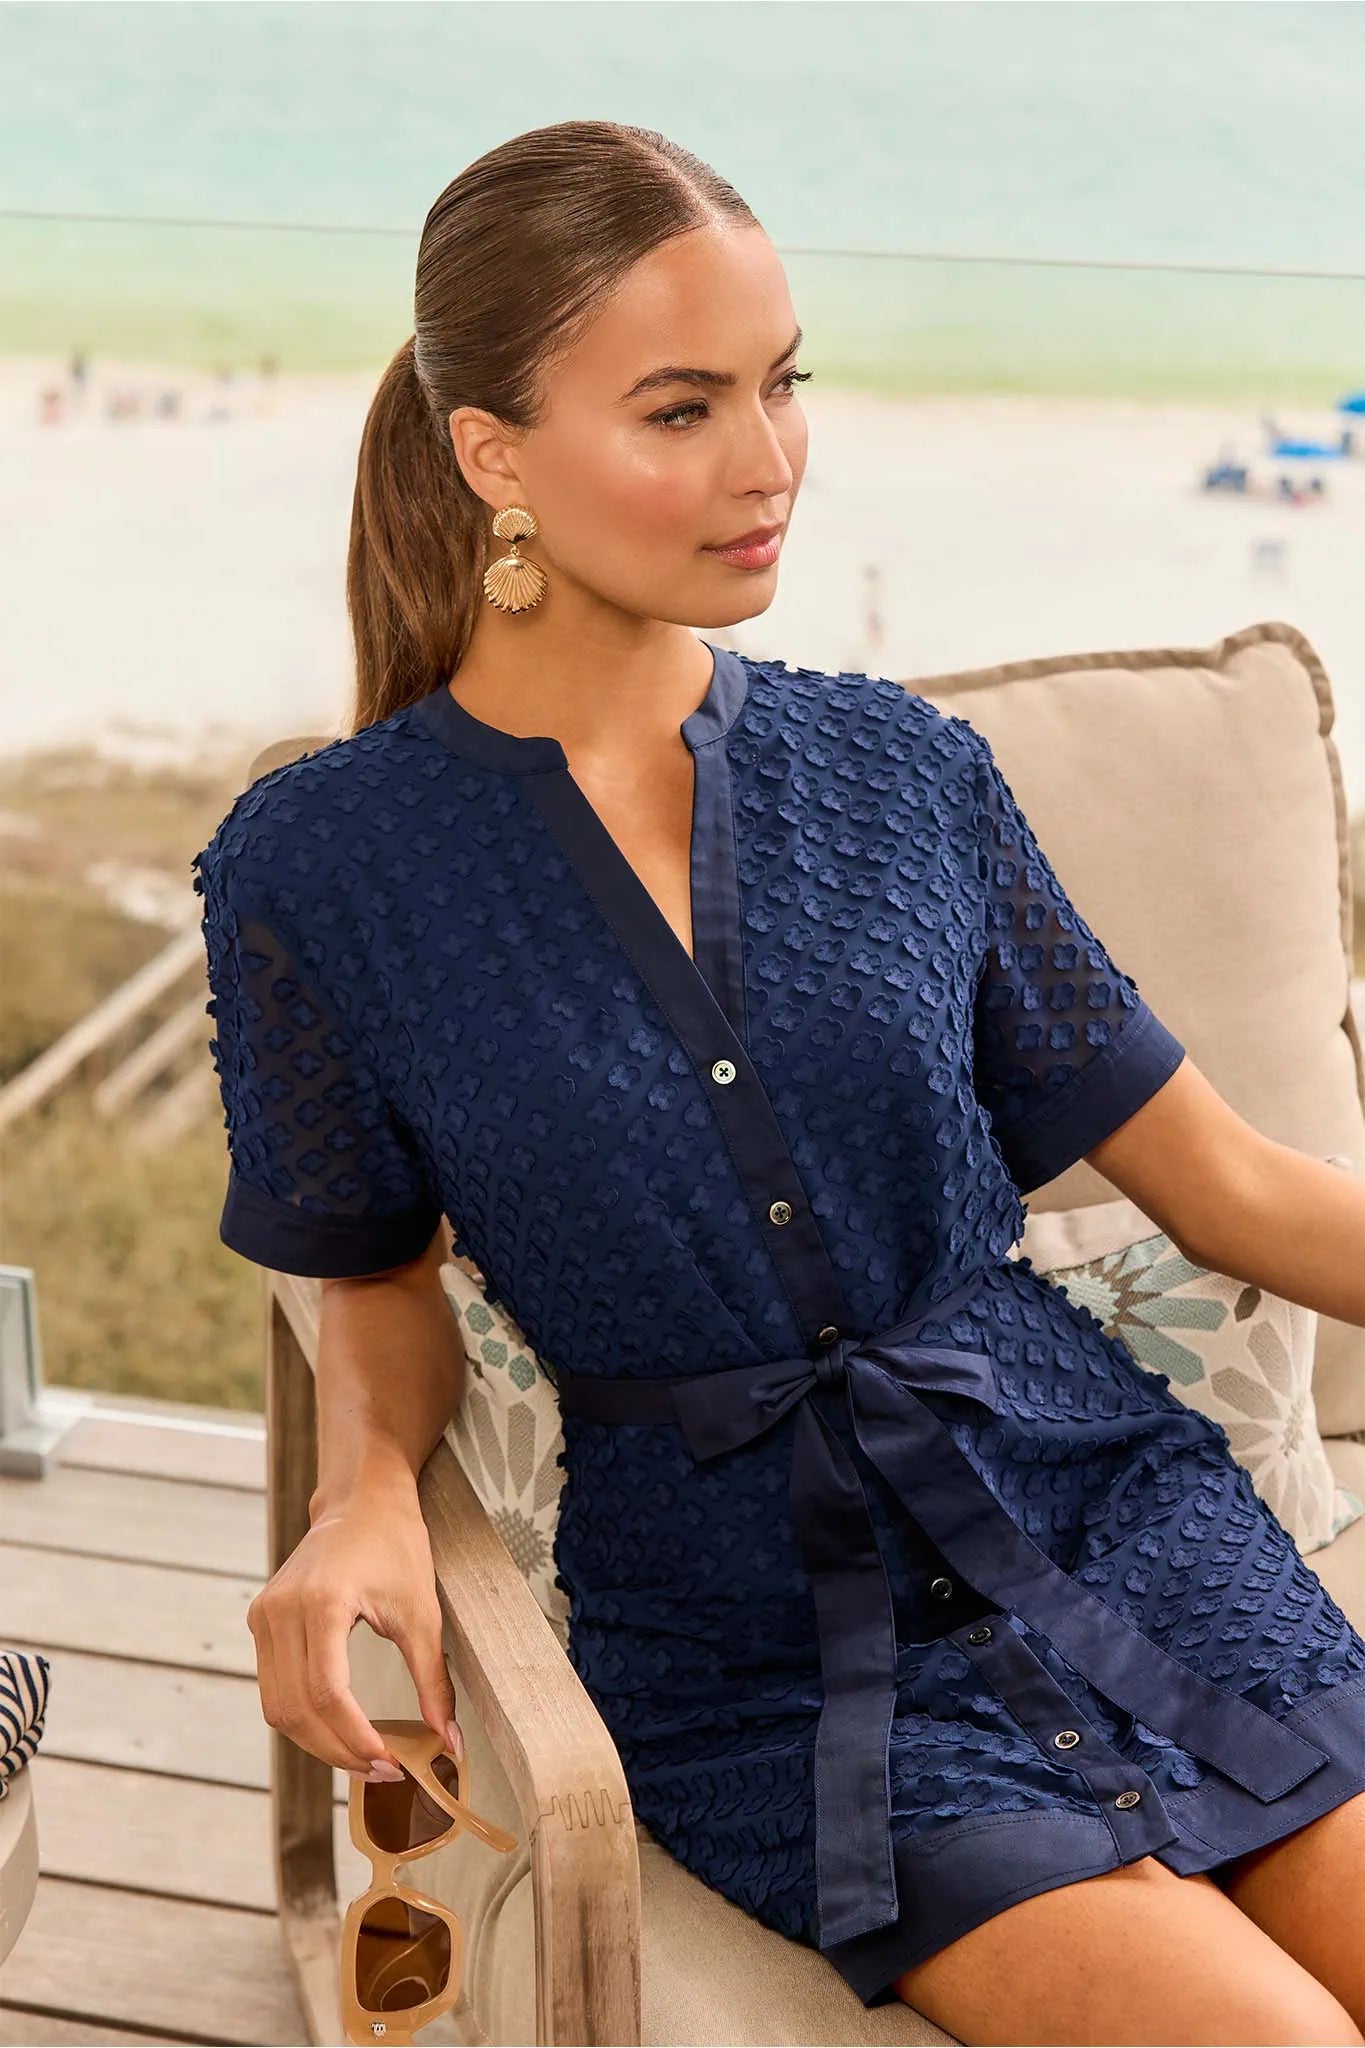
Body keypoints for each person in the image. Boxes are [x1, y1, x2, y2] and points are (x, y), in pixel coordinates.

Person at [191, 120, 1365, 2045]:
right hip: (769, 1663)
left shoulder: (908, 780)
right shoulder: (315, 872)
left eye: (781, 383)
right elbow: (376, 1271)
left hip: (1120, 1521)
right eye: (680, 408)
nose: (768, 464)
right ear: (491, 452)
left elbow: (1230, 1183)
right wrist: (363, 1495)